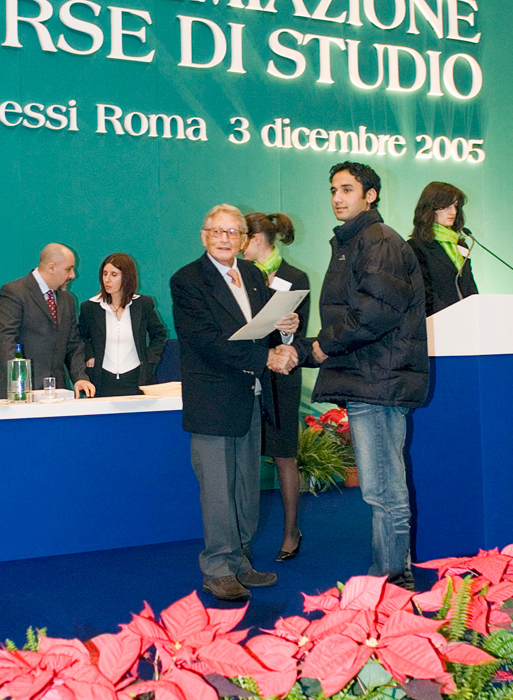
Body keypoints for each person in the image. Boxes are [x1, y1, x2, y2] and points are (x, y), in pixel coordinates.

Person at [170, 203, 300, 602]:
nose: (225, 239)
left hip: (250, 396)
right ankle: (217, 568)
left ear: (244, 239)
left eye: (233, 232)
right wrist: (267, 357)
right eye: (217, 231)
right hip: (212, 400)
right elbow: (207, 341)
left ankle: (241, 561)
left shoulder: (253, 275)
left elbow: (263, 330)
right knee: (217, 490)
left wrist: (286, 332)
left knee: (245, 488)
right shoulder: (187, 280)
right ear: (203, 236)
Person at [310, 164, 428, 589]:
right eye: (333, 190)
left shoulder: (378, 241)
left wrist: (321, 347)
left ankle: (394, 579)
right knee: (381, 489)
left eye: (347, 189)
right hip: (370, 377)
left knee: (384, 490)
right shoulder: (356, 240)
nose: (337, 198)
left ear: (370, 194)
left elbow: (372, 314)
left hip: (379, 381)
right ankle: (392, 575)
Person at [243, 212, 310, 561]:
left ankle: (290, 531)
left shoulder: (295, 277)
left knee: (284, 455)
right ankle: (241, 537)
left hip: (281, 376)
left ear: (257, 239)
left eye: (242, 237)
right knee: (244, 456)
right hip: (246, 373)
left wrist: (288, 331)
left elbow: (300, 338)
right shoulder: (238, 275)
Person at [0, 243, 95, 399]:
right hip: (21, 393)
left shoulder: (67, 300)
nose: (73, 275)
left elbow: (73, 344)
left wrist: (80, 377)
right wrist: (20, 383)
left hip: (57, 393)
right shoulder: (15, 292)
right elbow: (5, 340)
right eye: (68, 269)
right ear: (52, 267)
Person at [79, 253, 167, 397]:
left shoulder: (143, 304)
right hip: (102, 379)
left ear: (126, 277)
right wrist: (89, 355)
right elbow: (80, 336)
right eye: (105, 273)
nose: (107, 279)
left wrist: (150, 360)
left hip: (136, 378)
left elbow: (159, 334)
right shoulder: (90, 307)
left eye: (114, 274)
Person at [409, 182, 478, 316]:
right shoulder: (416, 246)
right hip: (438, 320)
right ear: (429, 208)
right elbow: (425, 294)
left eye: (455, 206)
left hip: (468, 319)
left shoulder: (460, 245)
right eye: (446, 206)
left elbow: (469, 286)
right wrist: (450, 316)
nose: (453, 212)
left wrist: (477, 311)